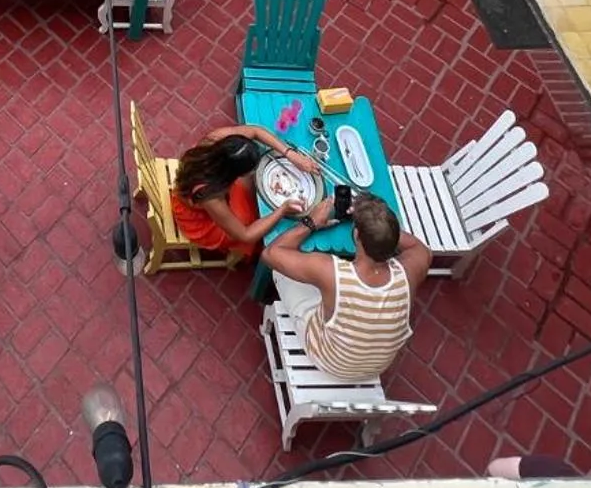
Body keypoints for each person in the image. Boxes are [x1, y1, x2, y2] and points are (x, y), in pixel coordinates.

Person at [264, 192, 428, 381]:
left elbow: (271, 254)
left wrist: (311, 222)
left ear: (357, 235)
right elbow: (421, 248)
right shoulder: (411, 271)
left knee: (282, 271)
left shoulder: (332, 273)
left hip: (329, 362)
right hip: (374, 368)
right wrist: (380, 229)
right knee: (328, 290)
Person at [170, 123, 320, 257]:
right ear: (234, 174)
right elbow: (245, 235)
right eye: (251, 170)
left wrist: (290, 154)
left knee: (250, 201)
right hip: (198, 219)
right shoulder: (212, 197)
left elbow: (255, 131)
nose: (254, 171)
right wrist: (282, 210)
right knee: (250, 220)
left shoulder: (219, 141)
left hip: (197, 181)